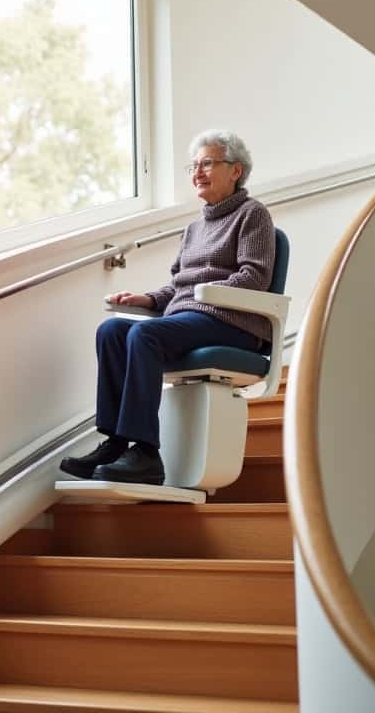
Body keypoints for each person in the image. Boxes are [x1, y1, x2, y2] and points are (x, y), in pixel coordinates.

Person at [60, 129, 276, 485]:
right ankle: (116, 442)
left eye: (207, 163)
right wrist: (149, 300)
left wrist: (203, 294)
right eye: (193, 166)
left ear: (236, 170)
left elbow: (254, 277)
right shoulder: (194, 228)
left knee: (145, 335)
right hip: (192, 316)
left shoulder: (253, 215)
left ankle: (146, 453)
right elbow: (179, 286)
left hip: (233, 322)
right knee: (112, 330)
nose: (197, 172)